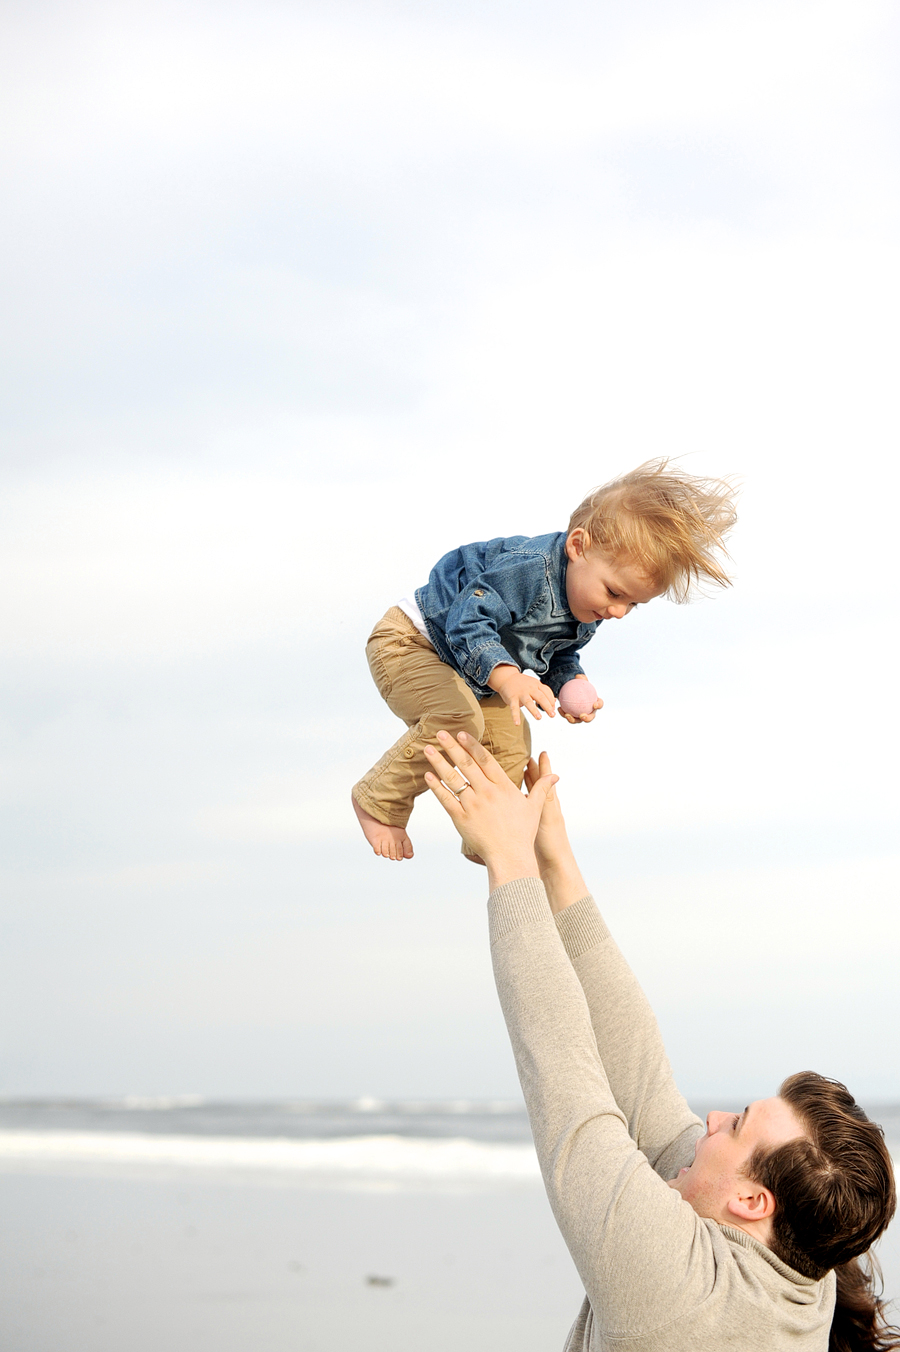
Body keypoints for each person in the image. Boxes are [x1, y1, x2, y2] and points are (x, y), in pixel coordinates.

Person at [422, 729, 900, 1352]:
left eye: (737, 1127)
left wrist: (507, 863)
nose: (713, 1120)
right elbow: (641, 1085)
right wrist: (552, 860)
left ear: (754, 1201)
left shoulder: (680, 1294)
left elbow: (568, 1085)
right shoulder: (801, 1268)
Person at [352, 459, 737, 861]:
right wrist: (507, 678)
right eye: (614, 593)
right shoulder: (530, 569)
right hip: (415, 642)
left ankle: (489, 838)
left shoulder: (588, 604)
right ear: (578, 546)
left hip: (478, 674)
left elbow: (559, 652)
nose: (619, 611)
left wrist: (572, 681)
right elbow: (467, 619)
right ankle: (380, 802)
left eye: (633, 605)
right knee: (457, 719)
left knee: (510, 747)